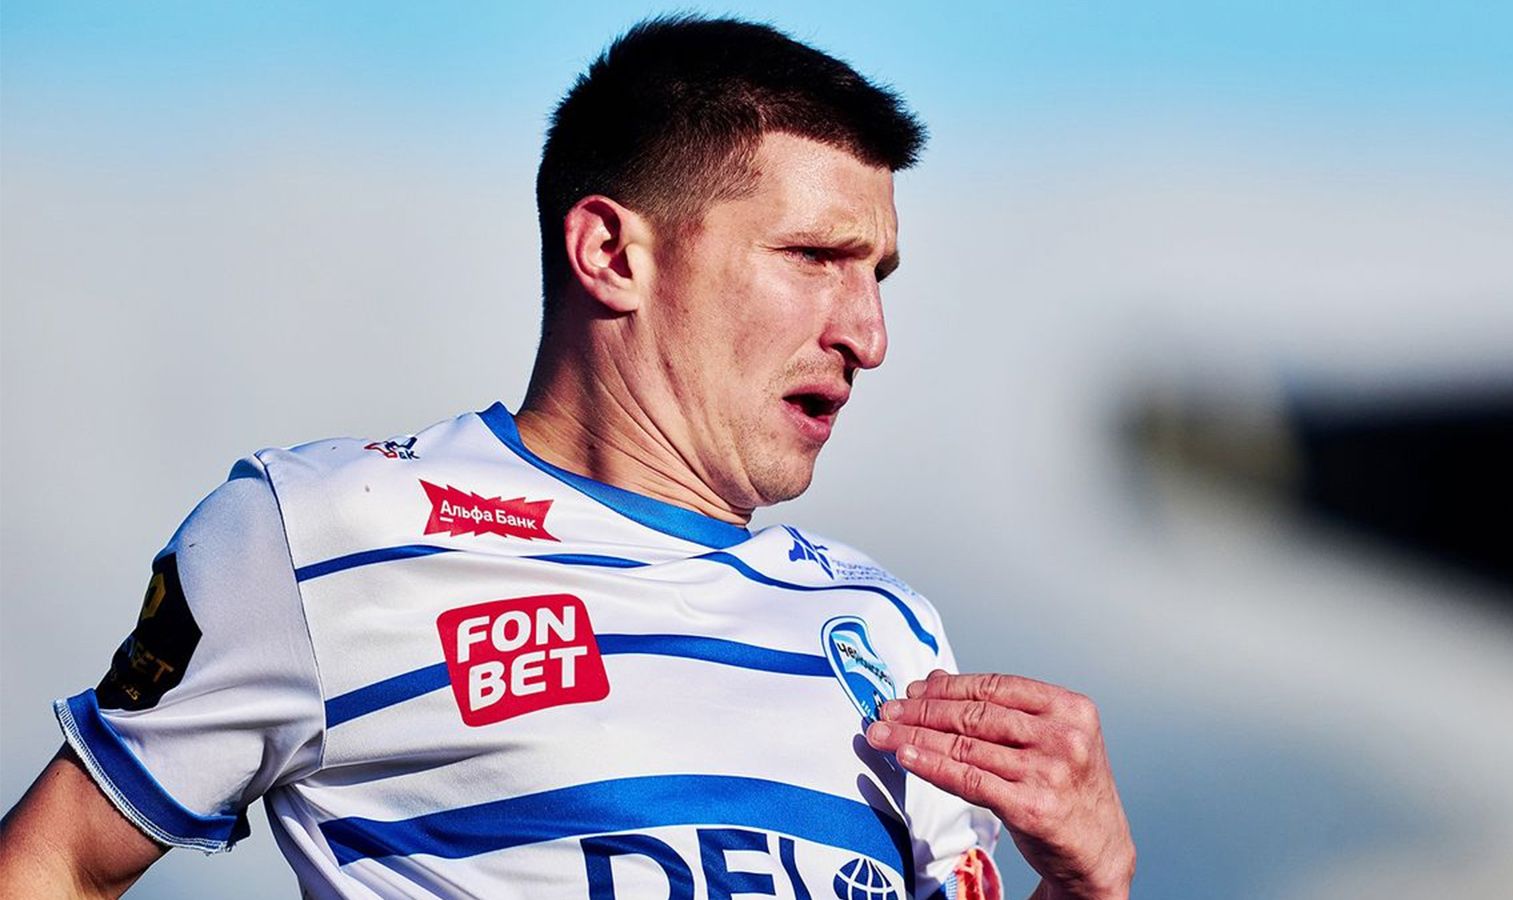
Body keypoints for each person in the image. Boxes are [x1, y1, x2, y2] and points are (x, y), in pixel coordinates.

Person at [0, 16, 1134, 900]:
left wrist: (1086, 884)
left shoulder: (889, 633)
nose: (868, 335)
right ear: (610, 251)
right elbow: (55, 864)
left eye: (875, 275)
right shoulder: (323, 531)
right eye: (813, 257)